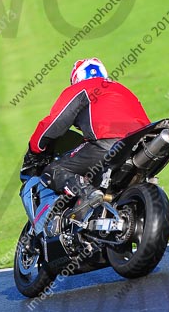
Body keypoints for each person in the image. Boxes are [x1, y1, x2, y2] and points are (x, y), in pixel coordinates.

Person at [22, 58, 150, 217]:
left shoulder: (80, 88)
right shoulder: (122, 88)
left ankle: (87, 192)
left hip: (108, 142)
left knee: (53, 171)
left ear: (76, 79)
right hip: (144, 143)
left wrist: (34, 150)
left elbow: (55, 123)